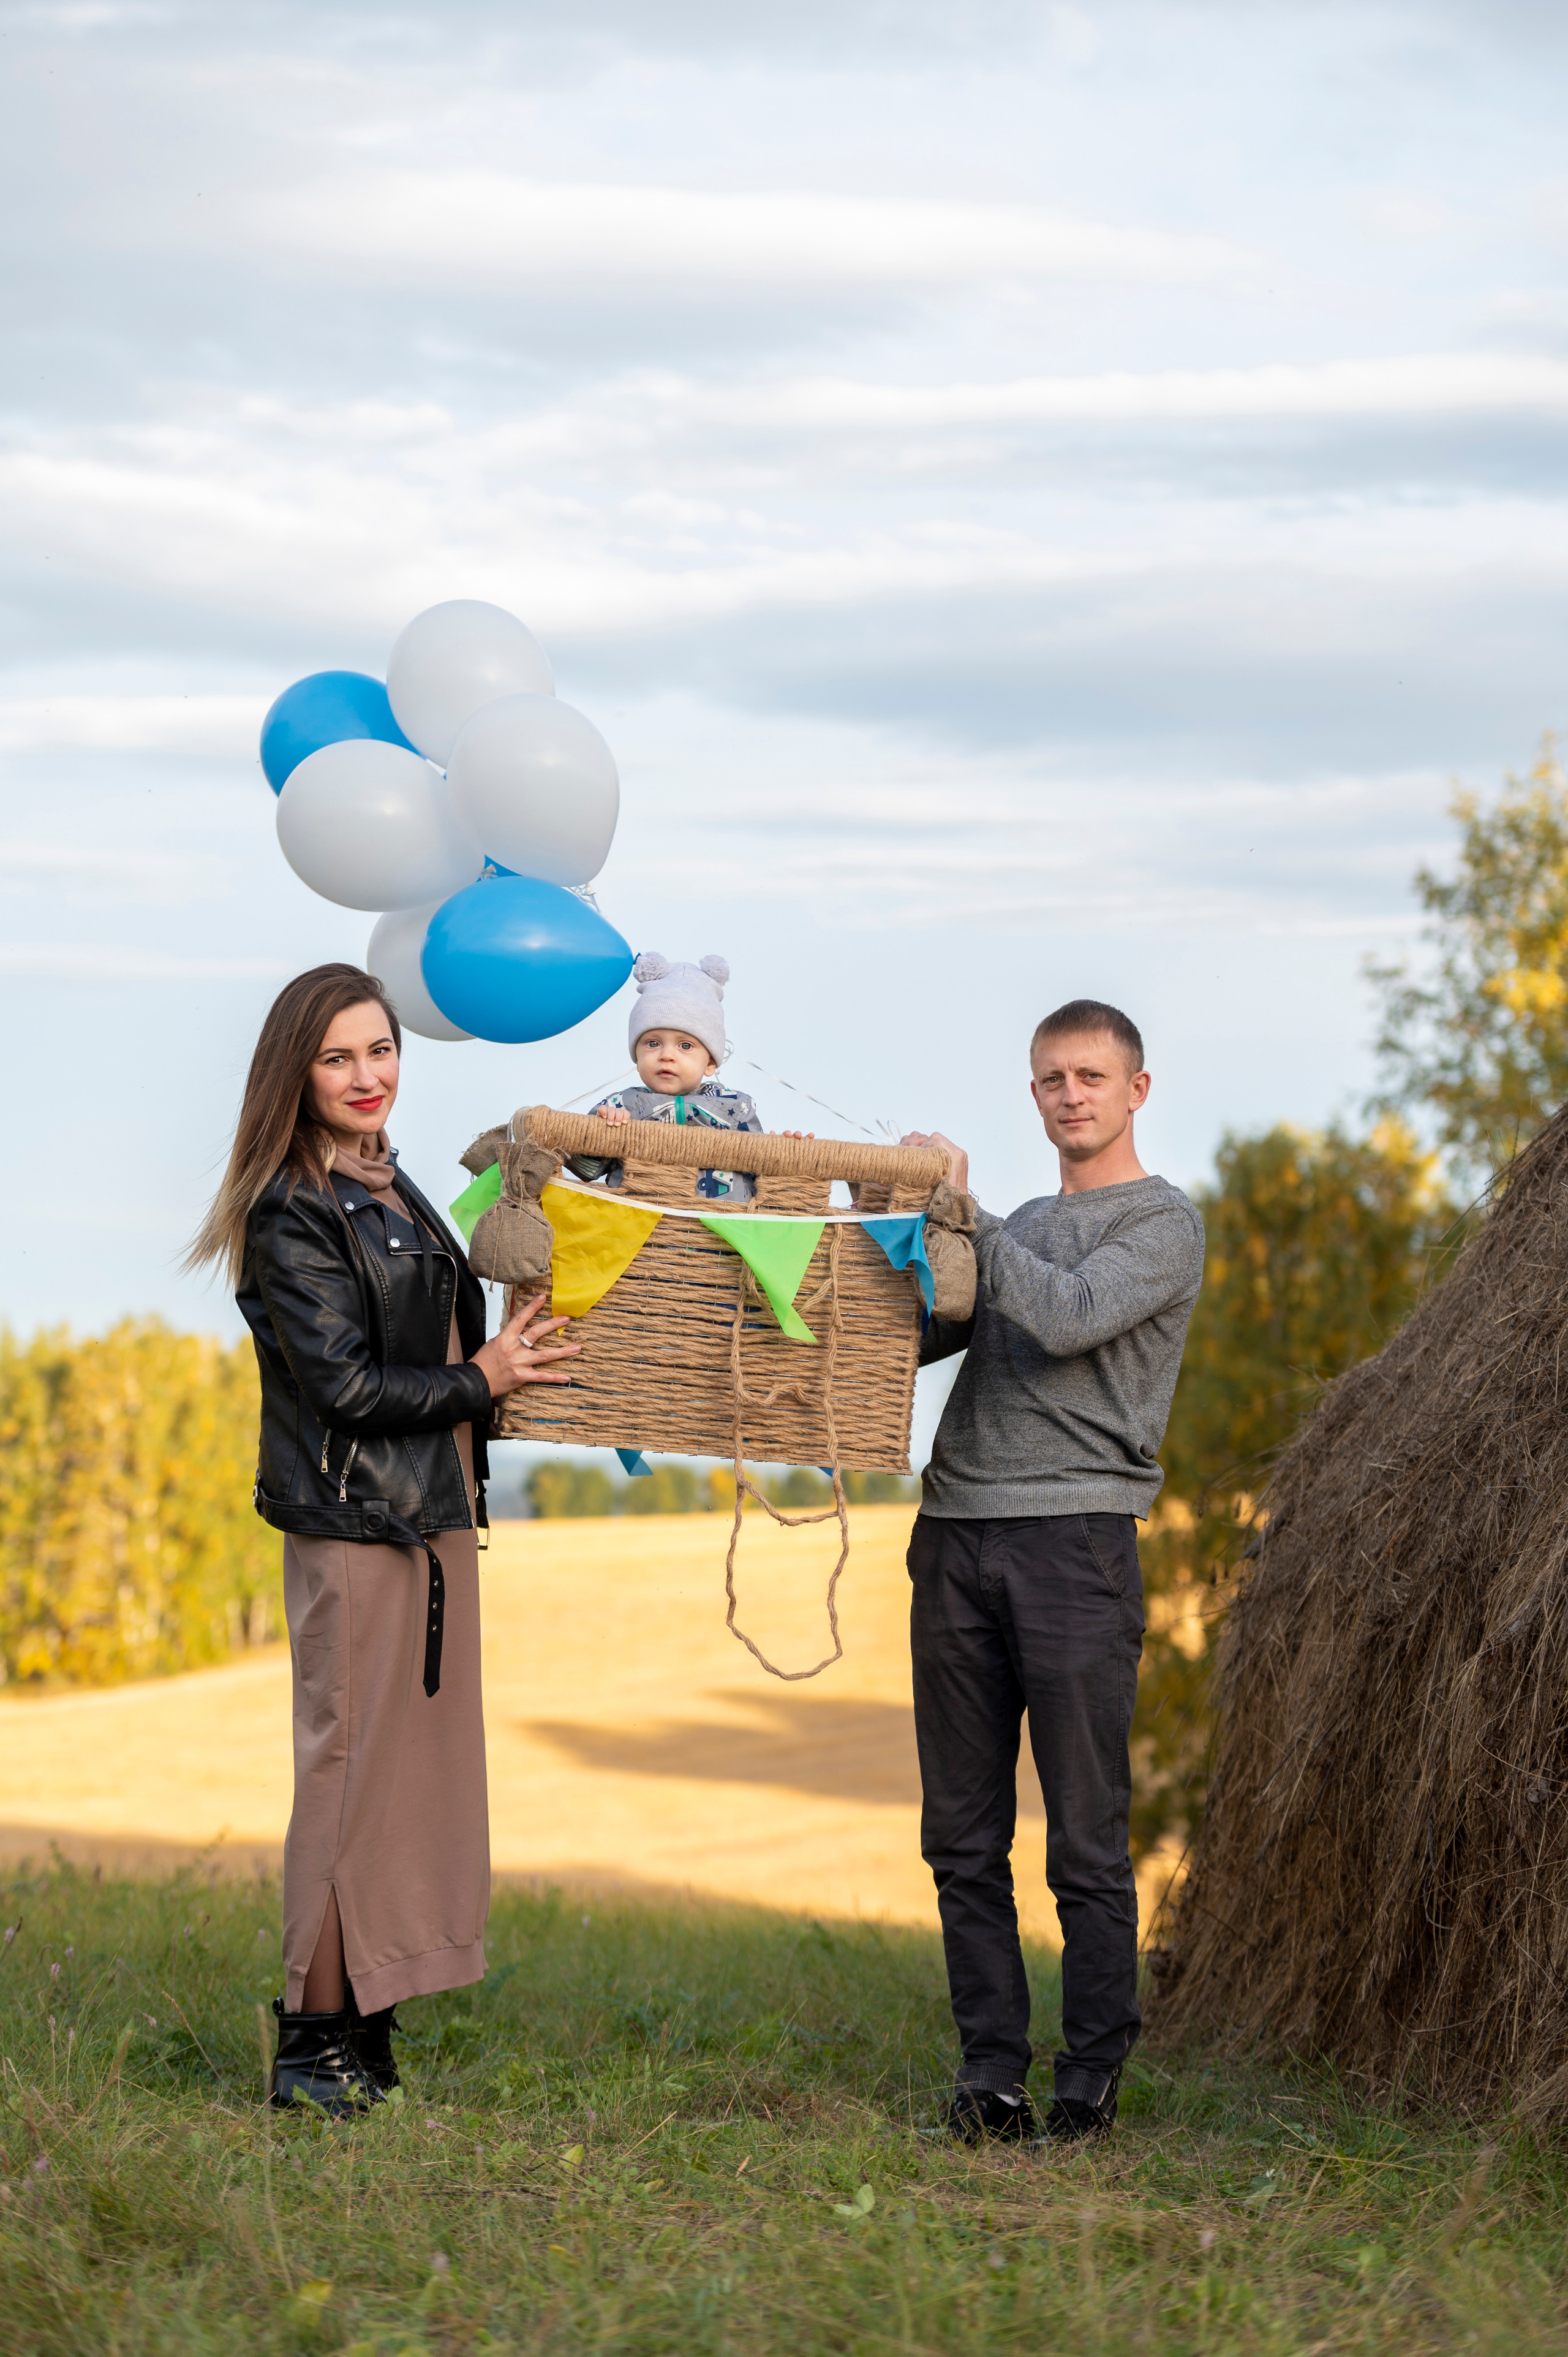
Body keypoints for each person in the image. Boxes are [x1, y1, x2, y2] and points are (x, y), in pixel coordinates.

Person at [187, 962, 579, 2115]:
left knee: (408, 1783)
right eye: (339, 1057)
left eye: (382, 1050)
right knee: (350, 1774)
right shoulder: (291, 1206)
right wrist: (480, 1375)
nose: (369, 1076)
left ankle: (367, 2024)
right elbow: (347, 1386)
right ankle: (311, 2045)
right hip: (357, 1522)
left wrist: (498, 1374)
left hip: (430, 1514)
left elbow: (428, 1346)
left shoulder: (391, 1182)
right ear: (295, 1076)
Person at [902, 998, 1204, 2147]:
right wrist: (881, 1228)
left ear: (1136, 1087)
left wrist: (961, 1212)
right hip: (956, 1536)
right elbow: (934, 1325)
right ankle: (991, 2076)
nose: (1068, 1094)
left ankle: (1087, 2081)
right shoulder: (1016, 1221)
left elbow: (1070, 1316)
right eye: (1048, 1079)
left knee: (1084, 1832)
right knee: (961, 1834)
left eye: (1089, 1075)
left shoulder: (1163, 1223)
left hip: (1076, 1544)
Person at [565, 952, 764, 1201]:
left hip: (720, 1228)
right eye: (652, 1043)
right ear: (636, 1057)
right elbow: (584, 1168)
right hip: (643, 1227)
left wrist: (790, 1148)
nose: (666, 1055)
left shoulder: (736, 1105)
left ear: (711, 1062)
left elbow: (766, 1166)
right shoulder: (621, 1105)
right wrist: (602, 1128)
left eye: (686, 1046)